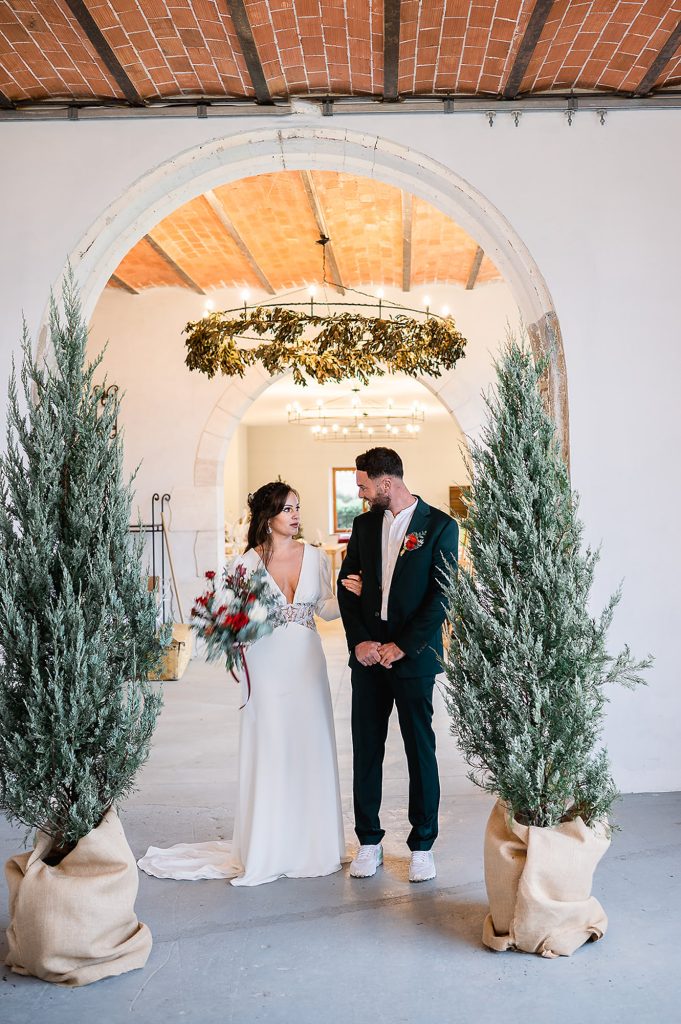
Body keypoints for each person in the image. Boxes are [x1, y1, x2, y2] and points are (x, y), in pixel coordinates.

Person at [138, 481, 361, 886]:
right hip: (266, 663)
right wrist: (238, 630)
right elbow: (227, 620)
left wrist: (350, 595)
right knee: (271, 746)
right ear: (268, 515)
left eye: (298, 507)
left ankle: (315, 845)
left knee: (310, 745)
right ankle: (270, 847)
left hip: (307, 661)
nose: (295, 515)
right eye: (287, 509)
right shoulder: (243, 566)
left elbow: (325, 609)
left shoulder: (315, 557)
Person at [337, 448, 459, 883]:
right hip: (369, 658)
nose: (360, 492)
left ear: (385, 484)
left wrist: (403, 646)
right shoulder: (365, 525)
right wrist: (360, 642)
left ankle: (423, 844)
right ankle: (369, 842)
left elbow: (441, 596)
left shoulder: (441, 526)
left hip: (413, 659)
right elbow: (346, 585)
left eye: (364, 485)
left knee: (419, 750)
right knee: (366, 749)